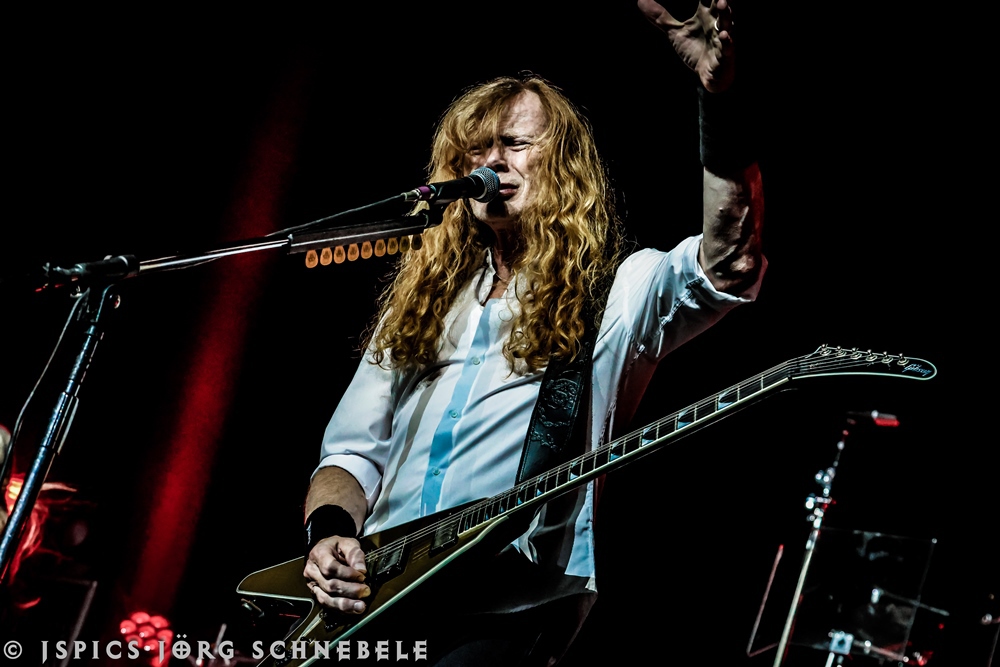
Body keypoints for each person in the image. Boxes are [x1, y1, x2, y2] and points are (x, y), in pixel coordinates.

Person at [301, 1, 764, 663]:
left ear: (564, 166)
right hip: (381, 596)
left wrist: (717, 103)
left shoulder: (617, 290)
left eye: (516, 145)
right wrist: (328, 534)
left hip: (507, 601)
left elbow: (728, 262)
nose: (493, 161)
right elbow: (350, 455)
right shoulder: (423, 303)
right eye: (478, 149)